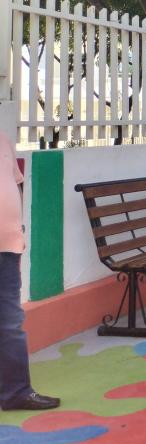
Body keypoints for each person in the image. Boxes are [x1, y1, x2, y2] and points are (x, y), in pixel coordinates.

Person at [0, 130, 59, 412]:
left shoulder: (2, 138)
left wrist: (17, 228)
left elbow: (16, 183)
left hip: (7, 246)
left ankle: (17, 392)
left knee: (10, 323)